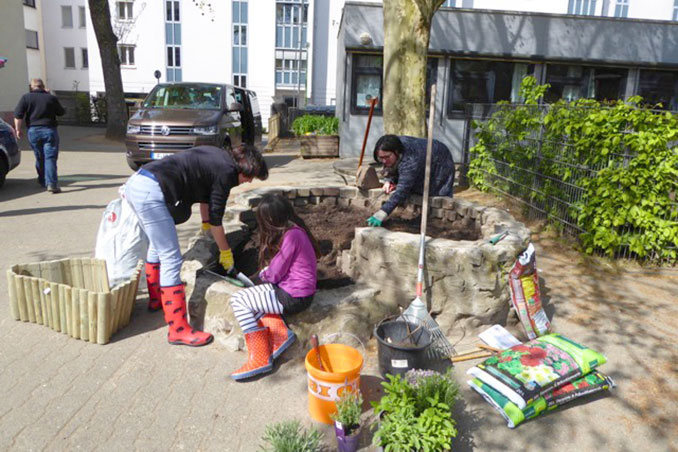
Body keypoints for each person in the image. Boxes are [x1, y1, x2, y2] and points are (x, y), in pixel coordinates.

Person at [124, 144, 268, 347]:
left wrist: (204, 224)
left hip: (139, 183)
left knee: (157, 246)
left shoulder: (219, 157)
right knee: (171, 258)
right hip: (151, 192)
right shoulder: (226, 172)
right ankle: (178, 329)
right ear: (244, 167)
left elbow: (207, 198)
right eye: (249, 176)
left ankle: (156, 300)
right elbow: (218, 219)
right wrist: (225, 252)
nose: (249, 181)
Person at [229, 193, 319, 380]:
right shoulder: (294, 231)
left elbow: (276, 272)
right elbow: (282, 264)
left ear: (270, 219)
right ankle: (279, 335)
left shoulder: (291, 236)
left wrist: (263, 274)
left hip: (294, 296)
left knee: (237, 300)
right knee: (251, 297)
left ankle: (260, 357)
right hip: (293, 290)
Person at [367, 134, 455, 227]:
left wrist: (383, 212)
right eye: (381, 158)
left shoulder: (410, 159)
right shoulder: (394, 145)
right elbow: (391, 166)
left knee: (435, 197)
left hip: (439, 164)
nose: (384, 161)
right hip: (421, 160)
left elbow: (402, 190)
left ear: (396, 152)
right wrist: (389, 180)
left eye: (387, 157)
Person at [13, 78, 66, 193]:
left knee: (39, 156)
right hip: (49, 130)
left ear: (32, 87)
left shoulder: (26, 97)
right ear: (43, 86)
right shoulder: (50, 98)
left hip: (33, 131)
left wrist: (17, 129)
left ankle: (42, 180)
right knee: (50, 157)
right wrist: (51, 95)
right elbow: (61, 112)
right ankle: (51, 184)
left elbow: (18, 115)